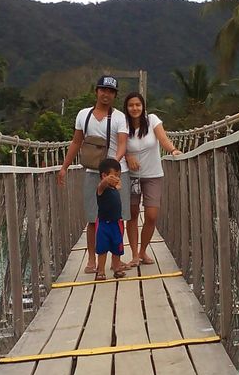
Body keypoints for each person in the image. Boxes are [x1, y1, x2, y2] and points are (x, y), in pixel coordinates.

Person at [57, 74, 130, 273]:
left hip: (116, 173)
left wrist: (114, 169)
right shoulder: (83, 115)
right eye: (103, 90)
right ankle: (92, 260)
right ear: (96, 91)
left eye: (111, 91)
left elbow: (123, 143)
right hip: (92, 173)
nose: (106, 94)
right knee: (92, 217)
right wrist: (64, 166)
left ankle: (116, 261)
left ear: (115, 95)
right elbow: (76, 142)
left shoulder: (119, 117)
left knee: (118, 217)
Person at [122, 91, 178, 266]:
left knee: (152, 215)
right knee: (132, 215)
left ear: (143, 106)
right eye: (131, 105)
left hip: (153, 175)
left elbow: (163, 139)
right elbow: (117, 146)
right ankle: (135, 255)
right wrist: (127, 157)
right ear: (126, 107)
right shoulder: (122, 124)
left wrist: (173, 150)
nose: (135, 108)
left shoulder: (152, 119)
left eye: (138, 104)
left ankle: (143, 250)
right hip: (131, 177)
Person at [94, 157, 128, 280]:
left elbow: (118, 186)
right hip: (103, 223)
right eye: (114, 176)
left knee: (117, 247)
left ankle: (117, 267)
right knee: (102, 248)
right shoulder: (101, 189)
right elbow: (102, 184)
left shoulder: (115, 188)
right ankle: (101, 270)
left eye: (118, 176)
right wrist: (106, 180)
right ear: (104, 175)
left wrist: (116, 182)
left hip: (116, 222)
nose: (117, 179)